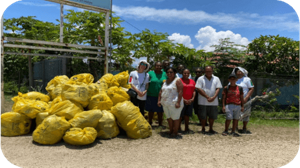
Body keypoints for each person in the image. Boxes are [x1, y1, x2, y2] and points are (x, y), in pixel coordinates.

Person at [195, 66, 222, 135]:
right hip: (202, 101)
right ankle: (203, 128)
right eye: (207, 71)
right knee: (203, 116)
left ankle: (211, 128)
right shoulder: (200, 79)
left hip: (214, 101)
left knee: (212, 116)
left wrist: (214, 97)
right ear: (204, 71)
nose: (208, 72)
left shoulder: (216, 78)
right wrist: (207, 96)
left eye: (210, 71)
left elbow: (218, 88)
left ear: (212, 71)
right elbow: (198, 89)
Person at [158, 67, 184, 138]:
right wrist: (159, 100)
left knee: (175, 118)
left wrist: (178, 102)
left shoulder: (177, 81)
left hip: (174, 103)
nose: (169, 74)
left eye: (171, 72)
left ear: (175, 73)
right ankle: (171, 130)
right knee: (169, 117)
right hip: (165, 103)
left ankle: (175, 132)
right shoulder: (165, 81)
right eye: (168, 72)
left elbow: (180, 92)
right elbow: (161, 91)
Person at [231, 67, 254, 134]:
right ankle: (236, 127)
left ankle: (244, 128)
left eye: (241, 71)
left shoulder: (247, 79)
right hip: (235, 101)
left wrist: (246, 98)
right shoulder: (233, 79)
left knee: (246, 114)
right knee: (236, 114)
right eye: (238, 71)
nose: (239, 72)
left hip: (245, 100)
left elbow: (251, 89)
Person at [146, 61, 167, 127]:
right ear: (155, 66)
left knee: (160, 111)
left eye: (160, 66)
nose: (159, 67)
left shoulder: (165, 74)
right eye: (157, 66)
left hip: (161, 95)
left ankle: (160, 124)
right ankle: (150, 123)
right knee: (151, 110)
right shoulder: (150, 73)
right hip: (151, 94)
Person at [179, 69, 196, 134]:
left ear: (189, 74)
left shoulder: (192, 81)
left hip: (190, 101)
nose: (186, 74)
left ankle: (186, 128)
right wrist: (183, 99)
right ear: (182, 73)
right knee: (180, 115)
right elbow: (178, 91)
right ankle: (178, 127)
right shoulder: (179, 81)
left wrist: (192, 98)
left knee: (187, 115)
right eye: (184, 73)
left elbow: (194, 90)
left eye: (187, 73)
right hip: (181, 100)